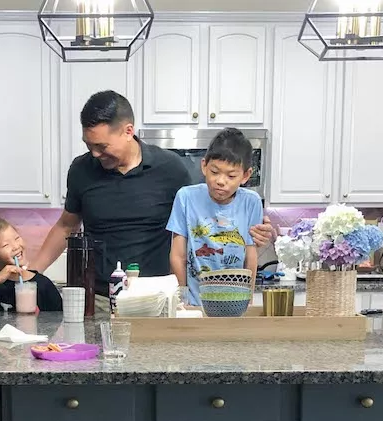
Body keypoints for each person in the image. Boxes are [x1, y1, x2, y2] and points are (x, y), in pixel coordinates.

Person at [29, 90, 276, 311]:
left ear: (128, 131)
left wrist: (259, 231)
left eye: (102, 146)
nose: (95, 153)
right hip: (100, 300)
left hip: (157, 300)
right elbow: (66, 226)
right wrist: (31, 273)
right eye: (89, 145)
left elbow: (206, 215)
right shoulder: (81, 169)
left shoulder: (170, 168)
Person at [167, 128, 263, 306]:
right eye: (215, 172)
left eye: (231, 175)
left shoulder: (252, 202)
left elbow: (250, 256)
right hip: (195, 302)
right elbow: (177, 255)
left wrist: (247, 301)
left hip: (235, 303)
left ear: (246, 175)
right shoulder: (186, 197)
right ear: (204, 166)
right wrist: (182, 299)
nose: (220, 181)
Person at [0, 218, 63, 312]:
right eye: (6, 245)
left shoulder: (42, 285)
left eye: (17, 238)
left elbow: (60, 320)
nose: (16, 247)